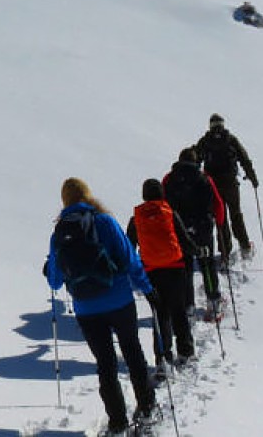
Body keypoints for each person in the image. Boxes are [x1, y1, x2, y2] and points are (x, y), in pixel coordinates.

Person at [45, 177, 156, 434]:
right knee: (132, 353)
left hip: (87, 309)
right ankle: (147, 409)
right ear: (87, 195)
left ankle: (118, 422)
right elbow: (129, 259)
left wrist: (50, 269)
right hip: (119, 300)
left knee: (105, 364)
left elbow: (55, 281)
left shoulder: (60, 232)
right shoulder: (104, 221)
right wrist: (147, 289)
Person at [126, 178, 198, 369]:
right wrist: (199, 250)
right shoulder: (170, 213)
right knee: (178, 311)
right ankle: (186, 350)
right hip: (175, 268)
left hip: (151, 272)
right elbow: (185, 241)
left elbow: (128, 248)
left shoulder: (136, 219)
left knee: (160, 314)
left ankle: (162, 357)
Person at [161, 147, 223, 313]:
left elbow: (162, 204)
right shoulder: (204, 178)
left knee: (184, 267)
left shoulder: (169, 179)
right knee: (206, 263)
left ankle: (188, 304)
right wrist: (220, 222)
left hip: (178, 230)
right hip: (202, 228)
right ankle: (213, 300)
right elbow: (218, 204)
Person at [195, 113, 259, 259]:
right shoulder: (230, 140)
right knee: (236, 214)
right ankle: (245, 246)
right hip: (230, 184)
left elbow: (196, 159)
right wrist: (253, 177)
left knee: (220, 217)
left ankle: (225, 251)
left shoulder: (205, 141)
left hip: (213, 186)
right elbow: (244, 158)